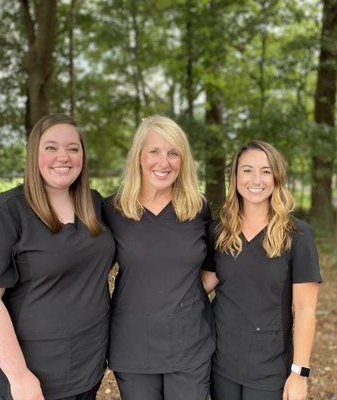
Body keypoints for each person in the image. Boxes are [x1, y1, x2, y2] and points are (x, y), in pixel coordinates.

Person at [0, 113, 115, 400]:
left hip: (88, 365)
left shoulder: (94, 205)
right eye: (51, 147)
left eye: (73, 148)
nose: (64, 156)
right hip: (33, 374)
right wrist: (19, 376)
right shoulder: (6, 212)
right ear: (34, 153)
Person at [102, 116, 215, 400]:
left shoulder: (197, 207)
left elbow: (216, 266)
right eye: (154, 151)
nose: (163, 163)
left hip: (190, 344)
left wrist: (183, 297)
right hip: (133, 345)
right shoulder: (112, 210)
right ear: (139, 156)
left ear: (183, 160)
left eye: (173, 153)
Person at [201, 140, 321, 400]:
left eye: (266, 171)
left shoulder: (297, 236)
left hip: (270, 367)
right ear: (234, 176)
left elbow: (305, 310)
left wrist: (299, 374)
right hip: (220, 363)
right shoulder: (218, 230)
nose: (257, 179)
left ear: (276, 177)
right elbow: (203, 283)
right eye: (247, 170)